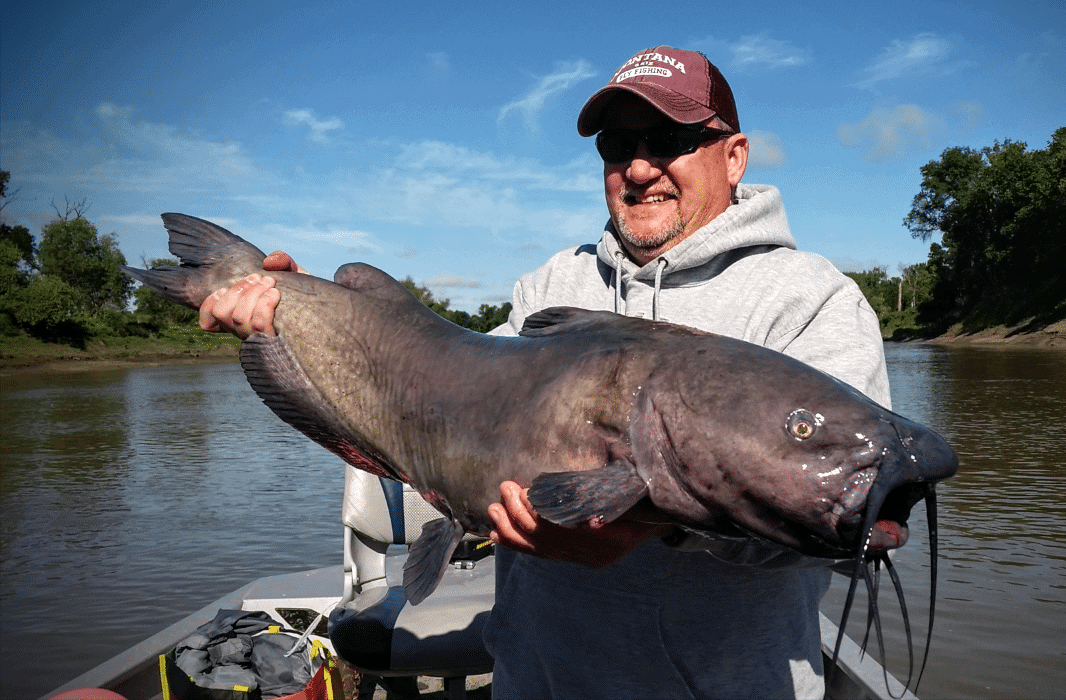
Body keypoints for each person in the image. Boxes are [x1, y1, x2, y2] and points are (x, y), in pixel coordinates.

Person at [200, 45, 891, 699]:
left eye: (670, 141)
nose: (642, 169)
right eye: (619, 147)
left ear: (733, 156)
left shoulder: (810, 299)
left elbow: (840, 528)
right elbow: (437, 411)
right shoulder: (553, 284)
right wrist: (298, 319)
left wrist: (660, 524)